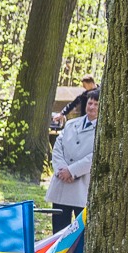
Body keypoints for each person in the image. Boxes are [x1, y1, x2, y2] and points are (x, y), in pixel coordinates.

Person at [47, 90, 98, 232]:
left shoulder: (102, 130)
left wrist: (72, 171)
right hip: (62, 184)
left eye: (96, 104)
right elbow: (57, 148)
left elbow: (94, 156)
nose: (92, 107)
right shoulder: (71, 124)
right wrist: (62, 170)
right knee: (58, 231)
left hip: (81, 188)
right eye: (90, 103)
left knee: (80, 234)